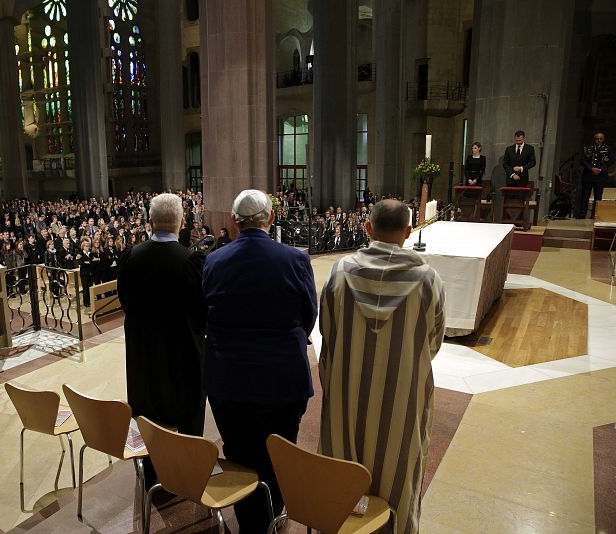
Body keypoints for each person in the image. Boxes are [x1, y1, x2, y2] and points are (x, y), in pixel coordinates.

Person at [318, 199, 445, 534]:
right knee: (398, 467)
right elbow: (433, 342)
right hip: (401, 399)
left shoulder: (341, 271)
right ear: (408, 231)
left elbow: (327, 333)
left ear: (368, 227)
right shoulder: (428, 279)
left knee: (344, 463)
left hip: (348, 393)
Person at [202, 189, 317, 530]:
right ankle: (273, 512)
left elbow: (205, 313)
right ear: (270, 218)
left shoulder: (214, 261)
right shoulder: (295, 259)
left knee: (238, 449)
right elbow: (308, 315)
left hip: (228, 377)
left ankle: (249, 518)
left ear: (234, 223)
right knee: (279, 450)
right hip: (282, 376)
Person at [117, 193, 206, 485]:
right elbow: (201, 312)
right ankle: (186, 475)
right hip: (182, 357)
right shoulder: (193, 262)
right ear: (181, 223)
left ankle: (151, 473)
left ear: (150, 223)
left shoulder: (130, 258)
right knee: (185, 415)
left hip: (143, 356)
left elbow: (125, 302)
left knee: (148, 416)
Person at [579, 131, 613, 219]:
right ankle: (582, 214)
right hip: (588, 175)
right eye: (597, 139)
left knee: (598, 196)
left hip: (600, 176)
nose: (599, 140)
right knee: (585, 195)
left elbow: (611, 161)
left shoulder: (607, 149)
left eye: (601, 139)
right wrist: (591, 169)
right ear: (594, 139)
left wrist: (601, 169)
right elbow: (582, 160)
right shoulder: (588, 148)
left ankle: (595, 215)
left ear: (603, 139)